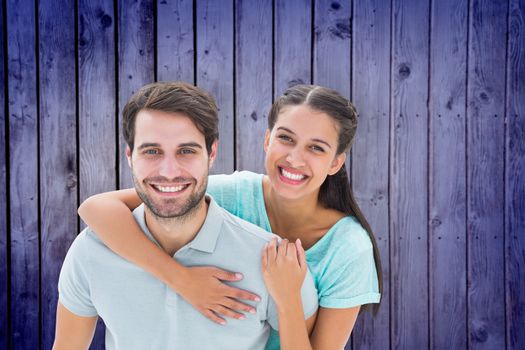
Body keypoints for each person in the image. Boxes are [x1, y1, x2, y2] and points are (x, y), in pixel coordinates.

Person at [79, 84, 382, 349]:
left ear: (335, 162)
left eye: (316, 147)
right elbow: (95, 208)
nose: (294, 158)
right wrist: (181, 280)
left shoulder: (348, 248)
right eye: (286, 139)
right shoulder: (232, 194)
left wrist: (288, 296)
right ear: (267, 140)